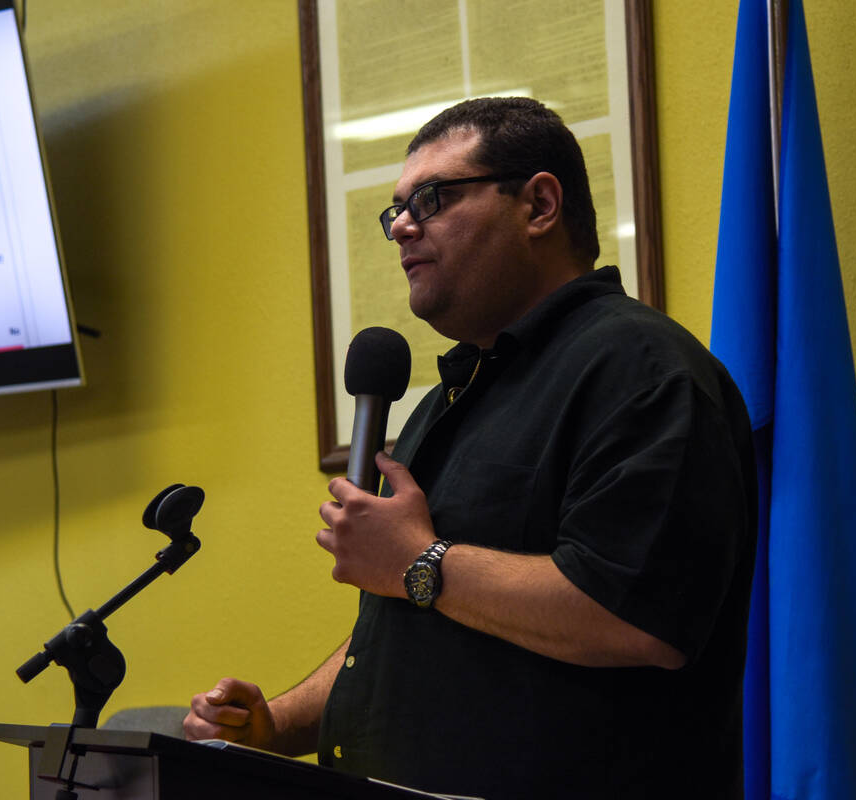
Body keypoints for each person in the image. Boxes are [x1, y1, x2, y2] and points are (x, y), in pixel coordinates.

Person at [183, 97, 756, 799]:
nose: (401, 226)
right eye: (393, 208)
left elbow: (637, 616)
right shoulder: (447, 398)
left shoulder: (641, 369)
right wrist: (277, 726)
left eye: (432, 196)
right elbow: (404, 632)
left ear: (539, 205)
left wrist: (422, 564)